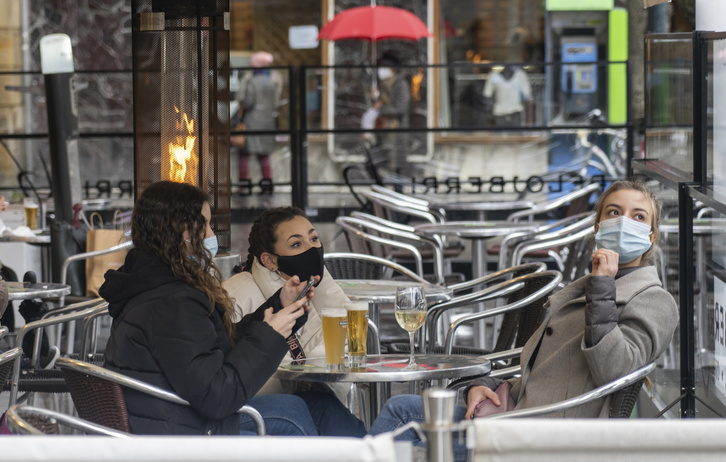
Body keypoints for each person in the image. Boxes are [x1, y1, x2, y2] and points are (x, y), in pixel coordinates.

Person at [368, 179, 679, 460]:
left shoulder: (653, 299)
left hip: (548, 438)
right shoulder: (588, 284)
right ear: (597, 227)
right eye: (614, 212)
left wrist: (603, 287)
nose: (624, 222)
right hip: (519, 415)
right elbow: (542, 372)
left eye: (638, 216)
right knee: (401, 409)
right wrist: (483, 385)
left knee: (400, 417)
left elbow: (614, 369)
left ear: (650, 237)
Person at [100, 181, 363, 436]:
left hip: (175, 417)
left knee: (317, 404)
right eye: (205, 225)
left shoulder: (156, 287)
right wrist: (269, 336)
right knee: (291, 413)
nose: (212, 236)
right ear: (180, 232)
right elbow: (217, 397)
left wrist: (278, 307)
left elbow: (210, 347)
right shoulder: (173, 303)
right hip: (184, 432)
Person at [223, 207, 364, 425]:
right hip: (260, 411)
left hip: (316, 399)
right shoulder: (235, 295)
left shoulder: (317, 282)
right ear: (269, 260)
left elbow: (352, 346)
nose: (312, 249)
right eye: (296, 244)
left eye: (314, 239)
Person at [236, 51, 281, 186]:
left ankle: (243, 184)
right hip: (268, 122)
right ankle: (267, 183)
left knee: (244, 155)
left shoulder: (251, 79)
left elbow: (248, 102)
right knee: (264, 155)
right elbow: (276, 102)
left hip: (252, 122)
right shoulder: (275, 79)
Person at [375, 52, 412, 176]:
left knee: (397, 169)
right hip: (384, 132)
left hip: (397, 132)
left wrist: (380, 109)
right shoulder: (383, 86)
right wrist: (375, 98)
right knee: (381, 167)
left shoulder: (401, 84)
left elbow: (401, 109)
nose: (381, 70)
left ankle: (397, 192)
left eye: (385, 66)